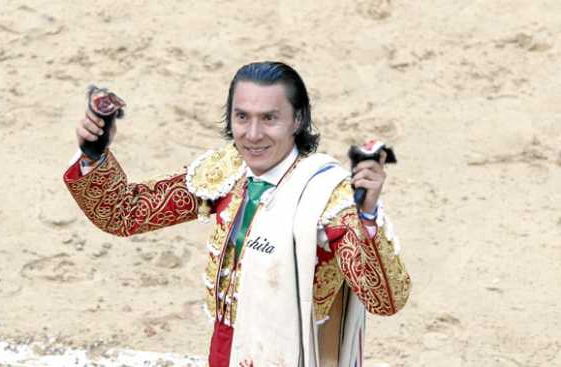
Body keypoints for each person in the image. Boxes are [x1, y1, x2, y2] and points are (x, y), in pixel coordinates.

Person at [63, 61, 410, 367]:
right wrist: (94, 154)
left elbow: (384, 299)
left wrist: (365, 216)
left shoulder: (326, 198)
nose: (253, 134)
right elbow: (125, 214)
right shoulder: (226, 171)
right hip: (226, 348)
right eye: (242, 117)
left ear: (298, 120)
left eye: (269, 119)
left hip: (295, 354)